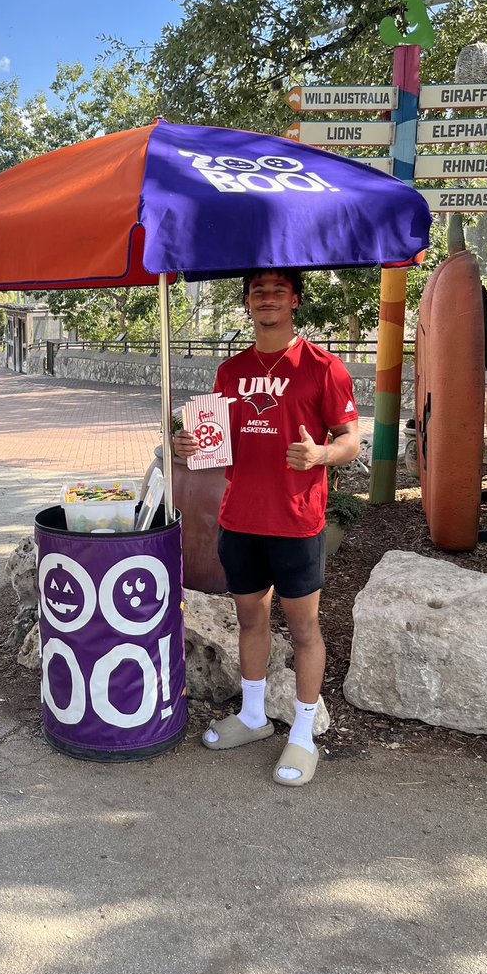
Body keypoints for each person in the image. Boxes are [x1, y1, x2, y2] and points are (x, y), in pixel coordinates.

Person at [175, 268, 360, 787]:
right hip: (241, 520)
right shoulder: (230, 372)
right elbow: (212, 440)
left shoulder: (323, 367)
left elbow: (350, 438)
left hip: (297, 522)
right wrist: (183, 445)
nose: (268, 298)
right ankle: (254, 716)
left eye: (279, 290)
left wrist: (323, 452)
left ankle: (302, 734)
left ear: (296, 300)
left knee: (304, 630)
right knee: (251, 621)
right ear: (248, 303)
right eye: (259, 291)